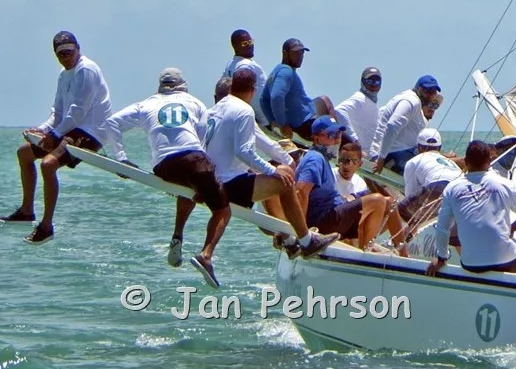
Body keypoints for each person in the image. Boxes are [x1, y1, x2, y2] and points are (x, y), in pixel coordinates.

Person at [108, 69, 231, 285]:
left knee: (187, 188)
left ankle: (177, 235)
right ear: (183, 84)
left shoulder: (145, 104)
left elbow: (111, 123)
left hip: (163, 166)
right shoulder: (195, 102)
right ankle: (206, 255)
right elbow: (202, 141)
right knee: (222, 210)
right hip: (193, 158)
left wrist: (121, 158)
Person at [5, 31, 115, 242]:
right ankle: (26, 211)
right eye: (61, 54)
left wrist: (54, 134)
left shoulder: (87, 70)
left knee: (48, 164)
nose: (66, 57)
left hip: (92, 132)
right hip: (70, 128)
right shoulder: (64, 75)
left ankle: (46, 227)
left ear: (78, 49)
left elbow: (78, 112)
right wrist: (42, 130)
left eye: (69, 52)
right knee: (24, 153)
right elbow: (58, 111)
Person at [203, 63, 324, 254]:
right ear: (253, 90)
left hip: (210, 181)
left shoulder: (214, 111)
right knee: (284, 182)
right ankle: (307, 241)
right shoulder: (243, 110)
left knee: (282, 172)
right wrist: (272, 170)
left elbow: (263, 141)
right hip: (227, 185)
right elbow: (244, 152)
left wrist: (288, 161)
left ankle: (289, 239)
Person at [426, 140, 516, 276]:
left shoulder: (452, 188)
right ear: (489, 160)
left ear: (466, 161)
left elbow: (442, 228)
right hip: (506, 259)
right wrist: (512, 228)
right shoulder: (504, 184)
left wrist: (441, 258)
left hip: (470, 264)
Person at [295, 117, 398, 253]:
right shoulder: (315, 159)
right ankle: (365, 252)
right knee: (377, 200)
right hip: (323, 221)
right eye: (331, 135)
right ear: (317, 138)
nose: (337, 139)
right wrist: (302, 235)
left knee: (389, 203)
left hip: (332, 216)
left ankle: (396, 251)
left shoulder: (322, 159)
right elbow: (300, 193)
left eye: (339, 135)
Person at [334, 134, 406, 251]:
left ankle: (402, 253)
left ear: (360, 164)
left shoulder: (360, 182)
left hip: (355, 226)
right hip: (336, 223)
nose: (346, 165)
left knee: (390, 204)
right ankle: (365, 246)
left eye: (352, 161)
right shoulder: (330, 175)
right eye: (343, 160)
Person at [259, 38, 333, 140]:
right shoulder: (286, 72)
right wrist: (282, 124)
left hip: (305, 114)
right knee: (332, 122)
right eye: (296, 53)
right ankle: (344, 142)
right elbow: (276, 97)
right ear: (285, 53)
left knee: (324, 99)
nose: (300, 56)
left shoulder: (277, 70)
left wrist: (272, 121)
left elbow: (263, 100)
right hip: (305, 125)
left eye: (302, 53)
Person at [371, 76, 443, 173]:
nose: (431, 96)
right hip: (395, 155)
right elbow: (392, 126)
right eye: (428, 91)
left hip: (404, 152)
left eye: (434, 92)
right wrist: (381, 158)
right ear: (419, 89)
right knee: (431, 172)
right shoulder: (411, 102)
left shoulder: (412, 101)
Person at [398, 127, 458, 229]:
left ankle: (408, 238)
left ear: (419, 147)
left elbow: (410, 194)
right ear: (439, 148)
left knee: (404, 208)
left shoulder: (414, 161)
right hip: (460, 188)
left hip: (437, 186)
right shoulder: (451, 162)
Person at [334, 67, 382, 154]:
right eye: (370, 80)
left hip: (370, 156)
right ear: (362, 82)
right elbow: (339, 111)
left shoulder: (371, 103)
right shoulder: (359, 98)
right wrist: (354, 139)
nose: (374, 84)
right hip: (359, 155)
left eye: (377, 81)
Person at [218, 29, 266, 102]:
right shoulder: (245, 65)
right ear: (235, 46)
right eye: (244, 43)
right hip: (256, 110)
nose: (249, 45)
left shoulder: (230, 65)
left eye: (250, 42)